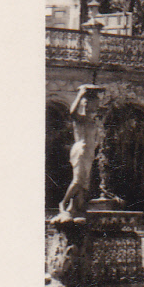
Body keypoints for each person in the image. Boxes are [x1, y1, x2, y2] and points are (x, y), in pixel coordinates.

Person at [54, 85, 105, 222]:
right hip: (81, 150)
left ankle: (75, 207)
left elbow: (96, 140)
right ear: (87, 105)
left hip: (89, 152)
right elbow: (71, 112)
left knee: (83, 184)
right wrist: (80, 95)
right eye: (95, 103)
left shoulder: (93, 121)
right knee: (77, 181)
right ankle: (63, 203)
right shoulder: (80, 119)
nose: (97, 106)